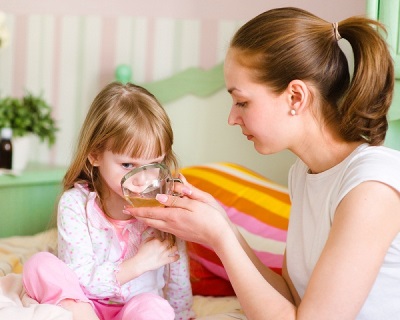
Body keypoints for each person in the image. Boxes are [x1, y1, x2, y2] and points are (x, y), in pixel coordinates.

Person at [124, 7, 400, 320]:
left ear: (296, 97)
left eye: (242, 101)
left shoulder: (371, 185)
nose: (232, 118)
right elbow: (289, 297)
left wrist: (221, 238)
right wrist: (225, 226)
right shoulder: (304, 174)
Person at [22, 82, 195, 320]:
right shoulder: (75, 204)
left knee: (157, 308)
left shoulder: (163, 207)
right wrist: (138, 264)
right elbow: (78, 279)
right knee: (39, 265)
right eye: (128, 165)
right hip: (83, 304)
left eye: (153, 165)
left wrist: (184, 314)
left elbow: (177, 271)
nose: (142, 180)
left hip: (136, 307)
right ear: (95, 155)